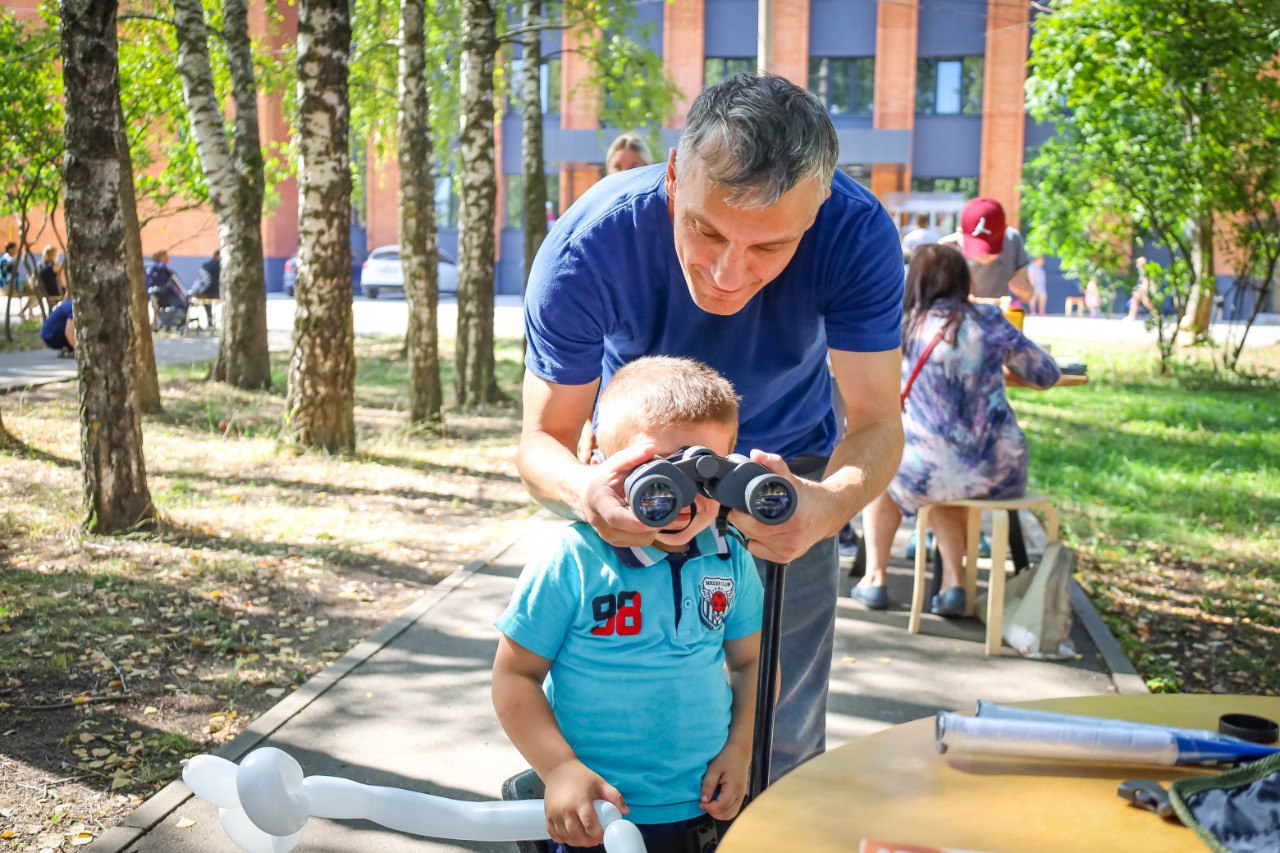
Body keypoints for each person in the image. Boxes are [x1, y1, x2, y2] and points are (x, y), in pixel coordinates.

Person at [519, 73, 904, 781]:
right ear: (673, 174)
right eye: (706, 229)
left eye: (769, 247)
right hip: (638, 474)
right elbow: (542, 438)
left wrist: (829, 505)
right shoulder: (589, 245)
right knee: (619, 714)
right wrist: (585, 491)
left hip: (788, 476)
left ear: (818, 206)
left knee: (781, 728)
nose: (728, 273)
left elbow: (878, 420)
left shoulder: (857, 234)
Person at [494, 356, 763, 852]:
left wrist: (740, 750)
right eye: (657, 474)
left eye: (704, 472)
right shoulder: (573, 560)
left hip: (701, 808)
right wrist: (560, 769)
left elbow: (750, 663)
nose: (681, 498)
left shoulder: (731, 559)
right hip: (593, 812)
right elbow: (515, 676)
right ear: (601, 461)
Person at [849, 244, 1059, 614]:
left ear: (913, 281)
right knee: (951, 473)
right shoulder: (989, 320)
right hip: (1000, 470)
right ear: (964, 279)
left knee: (890, 476)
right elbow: (1046, 373)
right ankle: (953, 585)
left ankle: (875, 579)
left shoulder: (902, 325)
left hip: (931, 469)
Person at [940, 197, 1033, 302]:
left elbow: (1028, 295)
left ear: (1004, 231)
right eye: (977, 248)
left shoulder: (1013, 239)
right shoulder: (948, 248)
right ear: (961, 232)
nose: (985, 255)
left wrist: (1024, 291)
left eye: (991, 247)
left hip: (1000, 310)